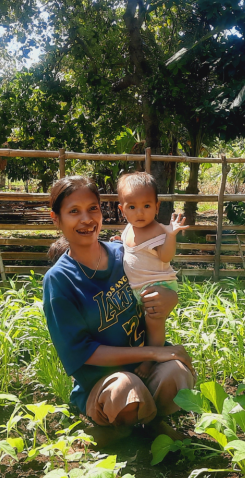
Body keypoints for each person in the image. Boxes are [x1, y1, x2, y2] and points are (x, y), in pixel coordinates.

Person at [42, 175, 197, 447]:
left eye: (93, 208)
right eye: (73, 212)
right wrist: (153, 352)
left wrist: (169, 298)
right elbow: (83, 352)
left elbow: (156, 293)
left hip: (148, 370)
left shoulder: (123, 254)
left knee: (176, 371)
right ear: (56, 219)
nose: (86, 219)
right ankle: (121, 428)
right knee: (125, 388)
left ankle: (151, 423)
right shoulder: (60, 281)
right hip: (105, 383)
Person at [116, 172, 188, 352]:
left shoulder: (158, 231)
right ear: (122, 209)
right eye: (132, 207)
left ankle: (154, 355)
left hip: (158, 285)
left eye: (146, 206)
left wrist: (171, 236)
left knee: (154, 321)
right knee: (138, 323)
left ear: (156, 207)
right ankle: (141, 352)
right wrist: (119, 241)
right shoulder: (129, 228)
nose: (139, 213)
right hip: (138, 287)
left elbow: (165, 256)